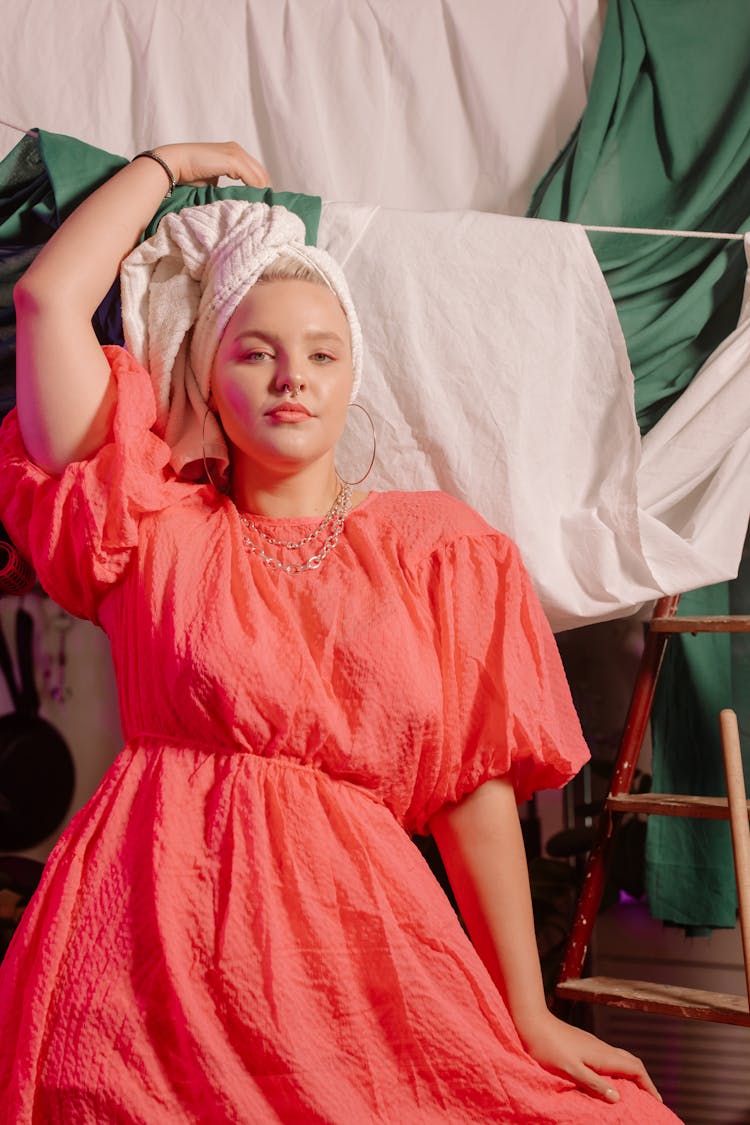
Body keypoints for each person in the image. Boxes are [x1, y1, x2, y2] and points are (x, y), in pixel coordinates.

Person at [0, 142, 679, 1124]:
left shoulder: (436, 551)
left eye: (323, 353)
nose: (292, 378)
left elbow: (471, 791)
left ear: (354, 372)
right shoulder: (146, 518)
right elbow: (49, 303)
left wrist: (526, 1011)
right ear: (208, 370)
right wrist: (167, 163)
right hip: (147, 962)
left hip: (357, 954)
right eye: (255, 351)